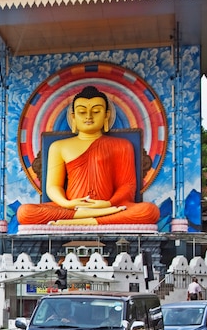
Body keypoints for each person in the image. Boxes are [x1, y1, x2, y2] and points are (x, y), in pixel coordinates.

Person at [16, 85, 160, 226]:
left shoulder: (122, 145)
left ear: (106, 115)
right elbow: (53, 186)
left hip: (109, 206)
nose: (89, 116)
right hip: (73, 207)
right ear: (73, 117)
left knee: (148, 211)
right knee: (25, 212)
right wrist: (67, 203)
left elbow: (127, 186)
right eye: (82, 112)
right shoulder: (59, 147)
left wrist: (108, 203)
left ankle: (84, 220)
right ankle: (89, 218)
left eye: (96, 111)